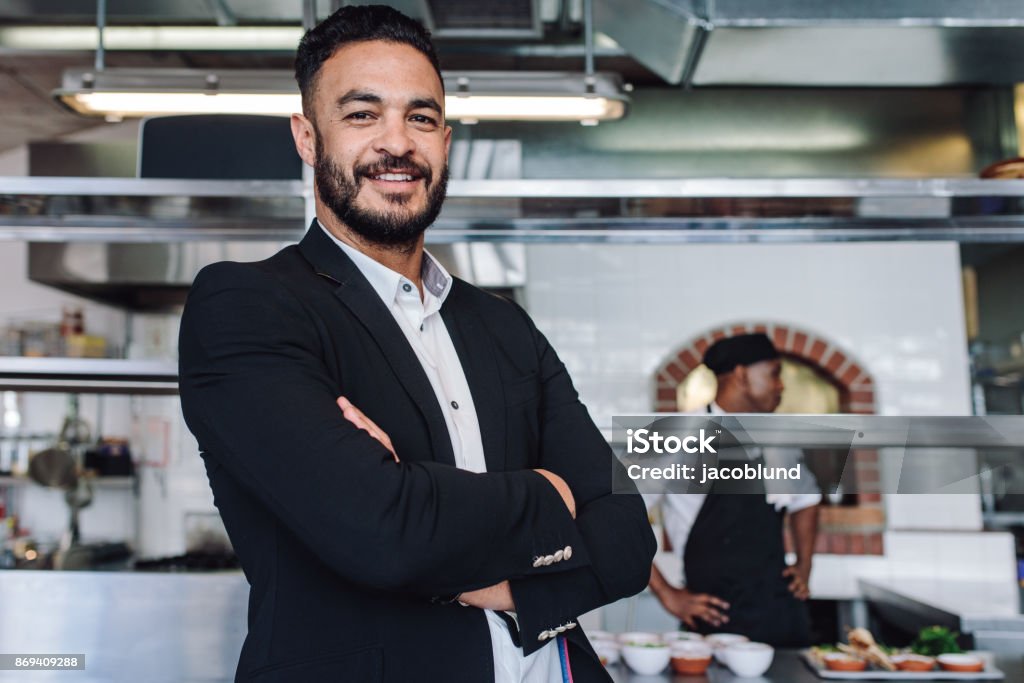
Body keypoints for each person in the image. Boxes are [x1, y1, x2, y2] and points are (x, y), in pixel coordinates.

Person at [177, 5, 655, 682]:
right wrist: (552, 494)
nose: (396, 143)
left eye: (420, 117)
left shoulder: (504, 326)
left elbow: (630, 538)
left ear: (446, 140)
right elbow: (384, 531)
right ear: (307, 136)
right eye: (362, 114)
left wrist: (472, 567)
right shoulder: (250, 306)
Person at [646, 333, 821, 647]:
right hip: (713, 616)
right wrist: (668, 594)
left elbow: (806, 500)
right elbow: (613, 517)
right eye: (774, 374)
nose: (781, 385)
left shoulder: (778, 436)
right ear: (741, 375)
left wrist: (805, 564)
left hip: (779, 613)